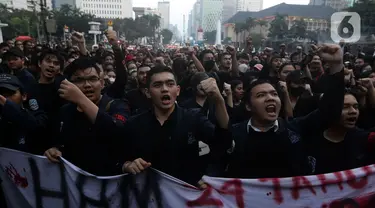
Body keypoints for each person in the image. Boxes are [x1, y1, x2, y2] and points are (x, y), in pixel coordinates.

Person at [224, 44, 345, 178]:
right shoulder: (234, 134)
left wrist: (336, 65)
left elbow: (329, 112)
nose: (270, 98)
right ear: (248, 106)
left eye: (274, 94)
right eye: (261, 95)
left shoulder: (295, 129)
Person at [120, 65, 230, 185]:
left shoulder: (193, 118)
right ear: (148, 93)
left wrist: (219, 100)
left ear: (177, 91)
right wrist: (127, 165)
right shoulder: (134, 124)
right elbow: (118, 158)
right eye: (157, 85)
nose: (165, 89)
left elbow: (222, 142)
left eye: (170, 84)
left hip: (184, 195)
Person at [44, 57, 130, 176]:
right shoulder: (65, 111)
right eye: (79, 80)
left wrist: (81, 99)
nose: (87, 85)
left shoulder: (117, 105)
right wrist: (54, 150)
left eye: (92, 79)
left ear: (102, 83)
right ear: (70, 85)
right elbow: (60, 142)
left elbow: (118, 131)